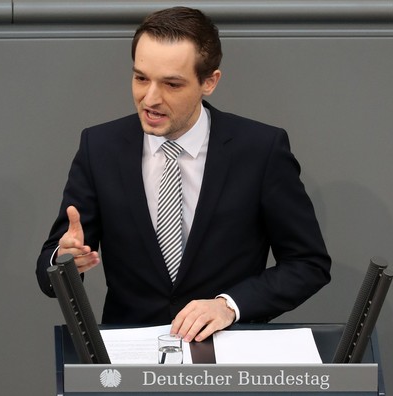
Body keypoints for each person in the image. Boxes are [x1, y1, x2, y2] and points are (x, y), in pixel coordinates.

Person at [36, 6, 331, 343]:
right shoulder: (99, 147)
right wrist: (63, 262)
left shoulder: (260, 149)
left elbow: (308, 264)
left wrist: (229, 306)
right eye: (141, 78)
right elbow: (49, 269)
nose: (150, 98)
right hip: (130, 363)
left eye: (172, 84)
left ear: (209, 82)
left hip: (228, 359)